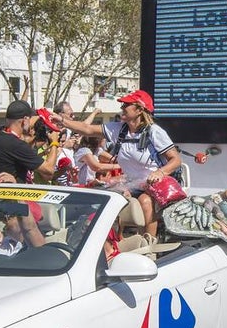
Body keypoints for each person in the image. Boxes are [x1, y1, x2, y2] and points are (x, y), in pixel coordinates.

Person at [53, 89, 180, 237]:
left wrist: (159, 172)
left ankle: (149, 246)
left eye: (126, 105)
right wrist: (62, 121)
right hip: (132, 183)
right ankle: (114, 245)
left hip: (154, 184)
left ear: (139, 109)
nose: (121, 108)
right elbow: (87, 129)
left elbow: (176, 160)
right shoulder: (118, 129)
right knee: (107, 199)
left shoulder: (154, 132)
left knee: (145, 202)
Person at [0, 100, 62, 184]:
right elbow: (49, 170)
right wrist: (54, 142)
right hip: (8, 196)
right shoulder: (17, 145)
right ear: (25, 120)